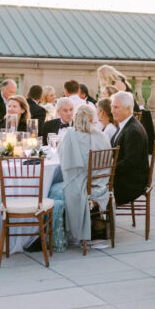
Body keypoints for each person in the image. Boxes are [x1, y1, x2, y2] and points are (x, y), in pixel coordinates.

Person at [57, 104, 111, 248]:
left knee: (54, 190)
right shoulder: (102, 136)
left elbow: (62, 159)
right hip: (100, 183)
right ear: (92, 118)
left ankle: (62, 231)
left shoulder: (70, 136)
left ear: (76, 118)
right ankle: (96, 223)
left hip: (81, 184)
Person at [110, 91, 150, 206]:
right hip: (124, 177)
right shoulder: (125, 125)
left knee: (93, 189)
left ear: (128, 109)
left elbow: (131, 162)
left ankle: (98, 220)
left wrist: (109, 170)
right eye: (112, 107)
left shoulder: (133, 131)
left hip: (130, 184)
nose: (112, 110)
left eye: (116, 107)